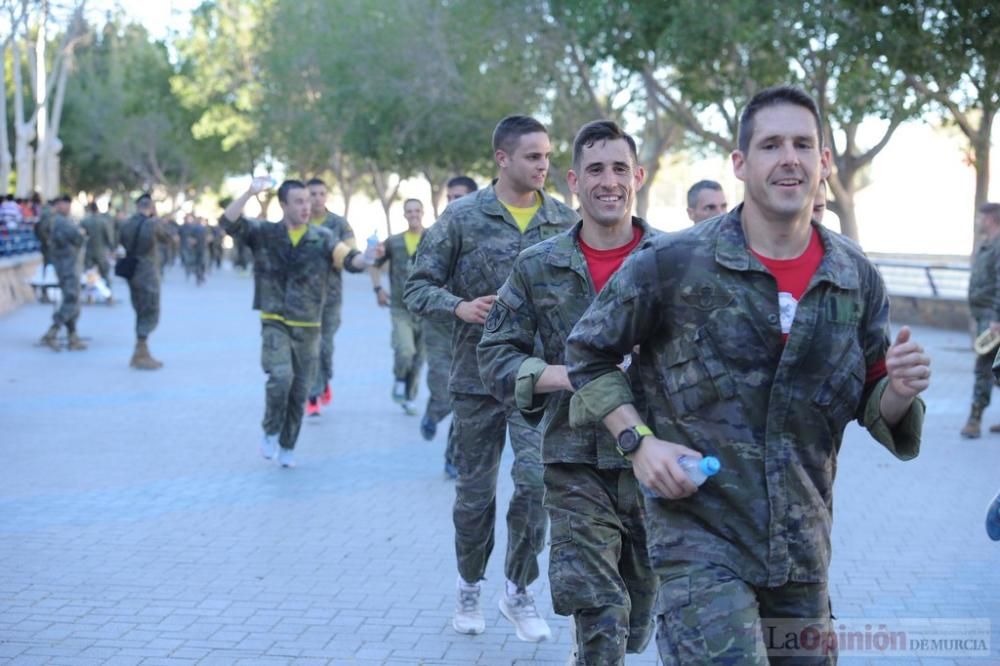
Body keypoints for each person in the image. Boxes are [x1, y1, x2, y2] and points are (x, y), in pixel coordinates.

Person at [565, 86, 930, 664]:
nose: (790, 158)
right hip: (699, 536)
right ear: (740, 164)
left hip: (802, 547)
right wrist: (638, 442)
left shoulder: (853, 276)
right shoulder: (674, 263)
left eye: (803, 144)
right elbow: (588, 353)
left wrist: (899, 392)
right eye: (771, 145)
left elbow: (872, 398)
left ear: (824, 161)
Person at [478, 120, 658, 664]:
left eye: (620, 169)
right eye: (596, 170)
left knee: (638, 619)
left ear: (639, 177)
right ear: (574, 182)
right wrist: (563, 375)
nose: (609, 182)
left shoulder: (675, 262)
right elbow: (495, 355)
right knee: (601, 613)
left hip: (655, 465)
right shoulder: (539, 265)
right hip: (574, 462)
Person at [404, 115, 578, 642]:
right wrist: (458, 307)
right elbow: (417, 287)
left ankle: (518, 589)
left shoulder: (564, 221)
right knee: (475, 495)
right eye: (532, 156)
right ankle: (468, 584)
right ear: (502, 159)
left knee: (535, 483)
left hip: (536, 381)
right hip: (477, 380)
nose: (543, 165)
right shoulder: (461, 218)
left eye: (547, 156)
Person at [221, 179, 367, 468]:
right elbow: (228, 222)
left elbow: (350, 260)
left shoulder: (322, 236)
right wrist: (250, 192)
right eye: (299, 201)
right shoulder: (265, 233)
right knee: (280, 378)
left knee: (300, 389)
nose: (306, 206)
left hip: (309, 325)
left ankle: (288, 444)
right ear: (284, 205)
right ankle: (270, 429)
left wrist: (370, 257)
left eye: (308, 201)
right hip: (275, 319)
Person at [421, 175, 479, 480]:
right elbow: (418, 284)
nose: (453, 203)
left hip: (473, 334)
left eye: (460, 197)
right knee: (444, 389)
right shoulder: (434, 234)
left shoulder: (484, 236)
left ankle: (452, 457)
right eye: (450, 197)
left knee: (464, 399)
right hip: (441, 328)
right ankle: (433, 412)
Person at [305, 177, 357, 417]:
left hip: (331, 296)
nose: (316, 198)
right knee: (310, 346)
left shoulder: (339, 224)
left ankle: (324, 380)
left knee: (325, 346)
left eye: (320, 194)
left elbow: (349, 255)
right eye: (312, 194)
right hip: (303, 298)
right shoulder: (298, 221)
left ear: (326, 196)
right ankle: (313, 395)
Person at [371, 198, 427, 416]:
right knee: (405, 351)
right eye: (409, 211)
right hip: (400, 307)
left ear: (423, 212)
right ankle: (399, 378)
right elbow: (374, 264)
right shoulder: (394, 242)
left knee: (419, 358)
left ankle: (409, 398)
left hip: (427, 309)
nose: (413, 214)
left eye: (417, 210)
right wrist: (378, 289)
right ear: (404, 215)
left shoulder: (433, 238)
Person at [119, 194, 174, 369]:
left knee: (139, 308)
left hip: (132, 270)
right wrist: (157, 218)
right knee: (150, 310)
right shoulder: (152, 224)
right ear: (151, 207)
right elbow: (168, 238)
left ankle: (142, 351)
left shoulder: (126, 224)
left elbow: (120, 241)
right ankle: (140, 352)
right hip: (147, 272)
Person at [961, 202, 1000, 438]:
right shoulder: (987, 245)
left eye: (981, 218)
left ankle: (974, 419)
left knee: (983, 365)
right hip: (984, 314)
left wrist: (996, 318)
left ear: (990, 219)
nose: (978, 222)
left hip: (992, 317)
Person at [38, 195, 87, 351]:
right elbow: (79, 238)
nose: (68, 207)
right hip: (68, 266)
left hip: (64, 264)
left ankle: (73, 336)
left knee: (71, 299)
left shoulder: (54, 221)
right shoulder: (62, 222)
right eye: (66, 204)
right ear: (59, 205)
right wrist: (81, 233)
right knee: (72, 300)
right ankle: (52, 332)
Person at [80, 202, 116, 300]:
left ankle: (90, 296)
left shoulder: (85, 221)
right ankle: (108, 295)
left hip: (89, 250)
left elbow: (80, 235)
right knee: (105, 274)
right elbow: (109, 236)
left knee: (89, 273)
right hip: (101, 251)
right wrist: (112, 249)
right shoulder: (103, 221)